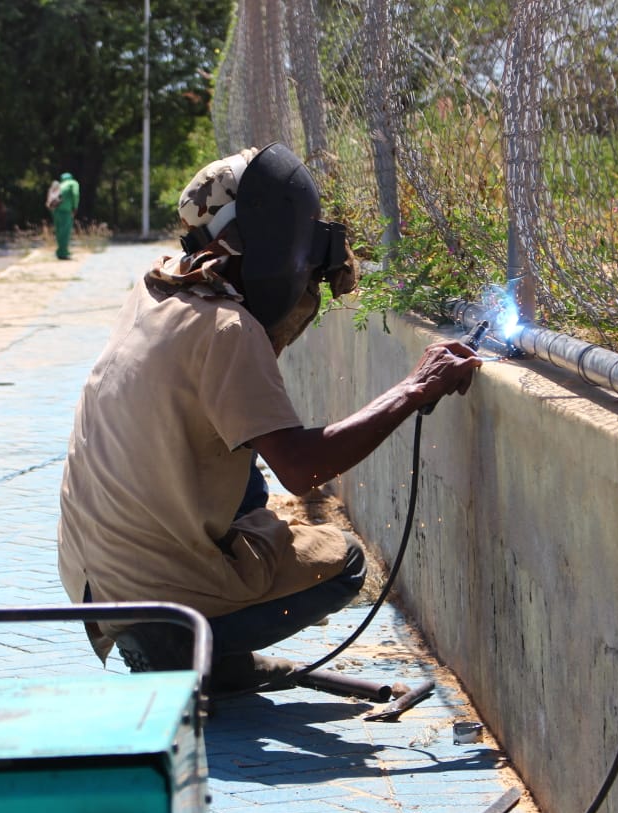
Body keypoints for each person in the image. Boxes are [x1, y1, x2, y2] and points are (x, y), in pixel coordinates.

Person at [57, 143, 480, 691]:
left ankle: (202, 647)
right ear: (265, 237)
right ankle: (194, 647)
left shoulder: (156, 289)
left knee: (247, 485)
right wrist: (414, 388)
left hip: (94, 582)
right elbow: (301, 469)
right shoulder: (227, 329)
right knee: (343, 559)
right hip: (153, 592)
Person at [47, 171, 80, 260]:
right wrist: (75, 207)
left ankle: (61, 250)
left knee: (59, 231)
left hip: (55, 210)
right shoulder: (73, 183)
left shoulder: (60, 185)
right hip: (66, 210)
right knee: (65, 232)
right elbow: (75, 194)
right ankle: (63, 253)